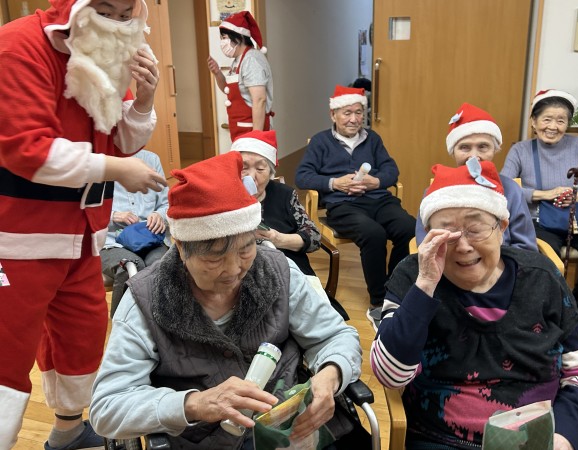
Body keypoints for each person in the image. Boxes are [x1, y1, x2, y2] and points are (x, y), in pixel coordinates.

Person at [89, 152, 367, 449]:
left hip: (293, 430)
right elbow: (107, 407)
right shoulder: (147, 297)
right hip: (204, 440)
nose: (234, 269)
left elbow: (336, 335)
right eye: (215, 256)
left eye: (246, 249)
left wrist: (331, 374)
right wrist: (193, 404)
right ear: (181, 247)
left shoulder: (277, 271)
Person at [0, 0, 167, 448]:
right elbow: (26, 148)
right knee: (5, 357)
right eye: (105, 11)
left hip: (84, 234)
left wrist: (144, 100)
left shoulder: (105, 49)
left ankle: (68, 431)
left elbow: (121, 141)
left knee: (81, 337)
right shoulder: (18, 47)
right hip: (17, 237)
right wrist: (115, 169)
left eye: (126, 14)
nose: (116, 24)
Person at [370, 159, 578, 450]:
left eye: (475, 229)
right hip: (442, 438)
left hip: (541, 437)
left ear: (502, 227)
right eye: (447, 233)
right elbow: (390, 375)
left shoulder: (542, 276)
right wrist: (425, 285)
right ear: (428, 233)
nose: (463, 246)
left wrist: (563, 438)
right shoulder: (413, 276)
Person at [295, 85, 416, 329]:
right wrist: (334, 183)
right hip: (342, 205)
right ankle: (378, 303)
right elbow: (302, 176)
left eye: (358, 112)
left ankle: (395, 288)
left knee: (410, 228)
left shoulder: (373, 139)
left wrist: (376, 182)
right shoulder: (320, 141)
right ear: (333, 115)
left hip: (378, 199)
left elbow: (391, 170)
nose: (353, 119)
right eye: (347, 113)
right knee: (373, 234)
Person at [501, 89, 578, 338]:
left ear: (568, 123)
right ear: (534, 122)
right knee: (546, 259)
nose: (553, 126)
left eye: (561, 120)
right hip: (539, 220)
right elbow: (504, 186)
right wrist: (544, 194)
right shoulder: (521, 150)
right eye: (546, 119)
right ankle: (550, 310)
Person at [415, 102, 537, 251]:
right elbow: (425, 244)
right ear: (453, 151)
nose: (474, 156)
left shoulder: (511, 190)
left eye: (483, 147)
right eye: (464, 147)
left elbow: (526, 246)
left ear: (495, 150)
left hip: (502, 263)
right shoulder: (435, 192)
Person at [229, 129, 328, 296]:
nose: (251, 176)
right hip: (241, 281)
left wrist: (278, 239)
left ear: (271, 173)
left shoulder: (285, 195)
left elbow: (314, 238)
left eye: (260, 168)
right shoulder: (224, 198)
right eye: (244, 168)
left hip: (292, 275)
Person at [101, 149, 170, 316]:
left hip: (149, 238)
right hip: (111, 242)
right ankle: (123, 327)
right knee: (130, 266)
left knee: (160, 265)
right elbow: (83, 211)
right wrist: (113, 216)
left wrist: (159, 215)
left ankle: (162, 324)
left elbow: (167, 204)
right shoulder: (100, 161)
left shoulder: (151, 159)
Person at [207, 11, 274, 142]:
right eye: (221, 38)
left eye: (224, 37)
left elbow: (260, 99)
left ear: (239, 37)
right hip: (240, 131)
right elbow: (228, 89)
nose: (222, 42)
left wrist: (256, 137)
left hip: (252, 132)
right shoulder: (238, 60)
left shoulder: (251, 60)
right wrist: (217, 73)